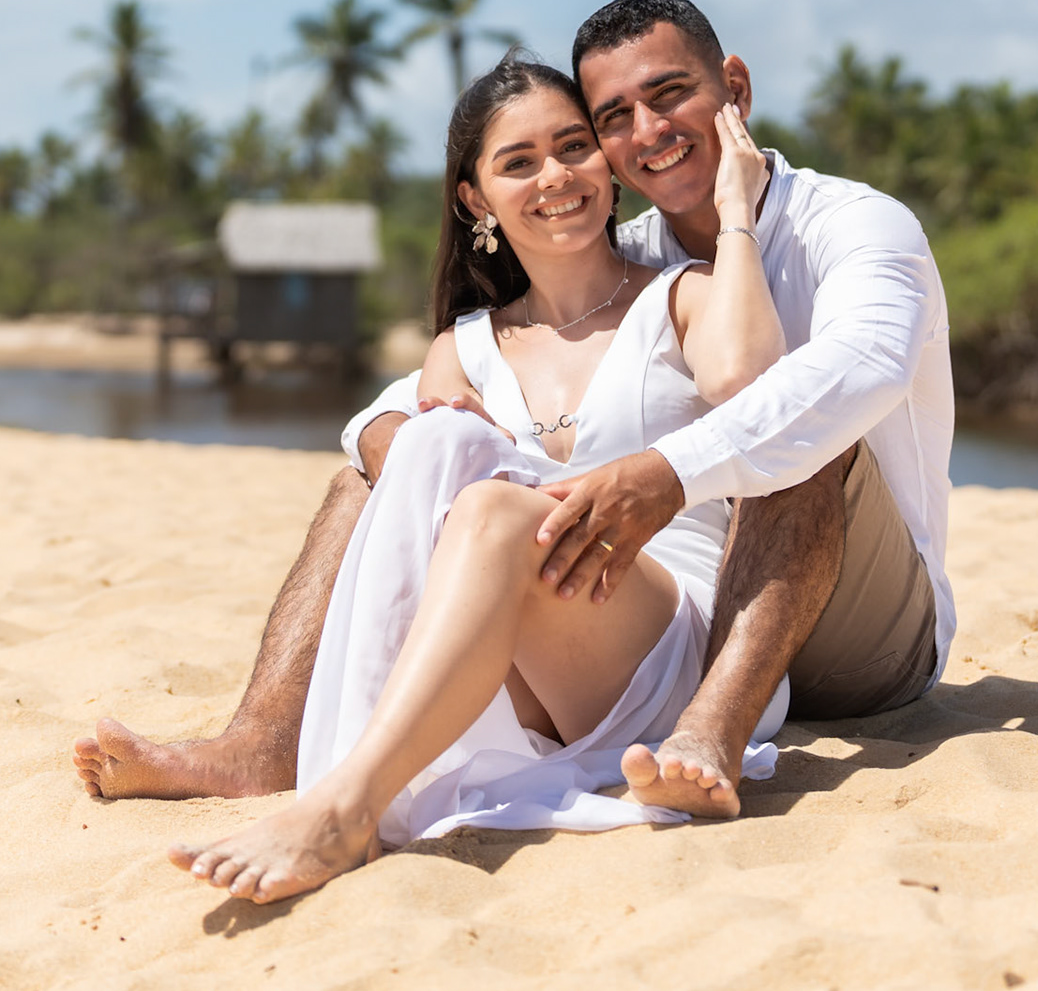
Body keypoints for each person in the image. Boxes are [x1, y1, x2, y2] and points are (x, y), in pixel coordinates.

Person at [76, 0, 955, 823]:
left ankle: (713, 730)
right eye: (613, 118)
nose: (646, 132)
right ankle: (264, 742)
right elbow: (395, 412)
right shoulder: (620, 253)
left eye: (670, 95)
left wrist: (661, 473)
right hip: (645, 617)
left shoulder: (852, 225)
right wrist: (412, 452)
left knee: (796, 426)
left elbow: (856, 370)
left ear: (735, 90)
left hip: (860, 630)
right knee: (372, 478)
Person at [87, 55, 790, 902]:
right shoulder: (462, 347)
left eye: (574, 147)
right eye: (519, 162)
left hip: (666, 646)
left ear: (607, 165)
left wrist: (735, 211)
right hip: (526, 660)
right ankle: (315, 762)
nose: (555, 177)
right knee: (438, 444)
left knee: (488, 504)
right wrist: (414, 434)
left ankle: (344, 802)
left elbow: (752, 384)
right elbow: (399, 468)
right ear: (474, 199)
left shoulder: (682, 297)